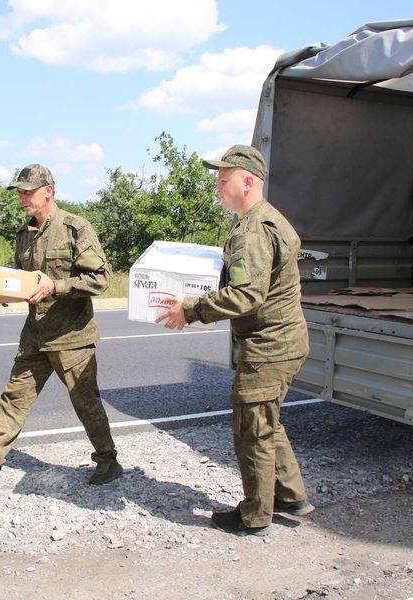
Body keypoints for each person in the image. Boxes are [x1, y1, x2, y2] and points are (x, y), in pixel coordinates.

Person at [156, 144, 314, 536]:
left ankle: (255, 515)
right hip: (283, 341)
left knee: (251, 430)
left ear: (248, 181)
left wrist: (189, 309)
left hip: (268, 348)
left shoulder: (254, 230)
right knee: (266, 421)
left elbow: (247, 295)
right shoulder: (268, 220)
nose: (217, 188)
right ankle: (292, 496)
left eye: (223, 180)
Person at [0, 164, 122, 487]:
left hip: (71, 337)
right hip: (35, 335)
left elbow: (101, 279)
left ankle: (107, 460)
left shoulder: (75, 229)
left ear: (49, 191)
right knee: (14, 397)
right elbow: (24, 281)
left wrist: (56, 287)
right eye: (19, 191)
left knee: (86, 403)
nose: (22, 197)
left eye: (28, 191)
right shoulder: (23, 236)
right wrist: (3, 293)